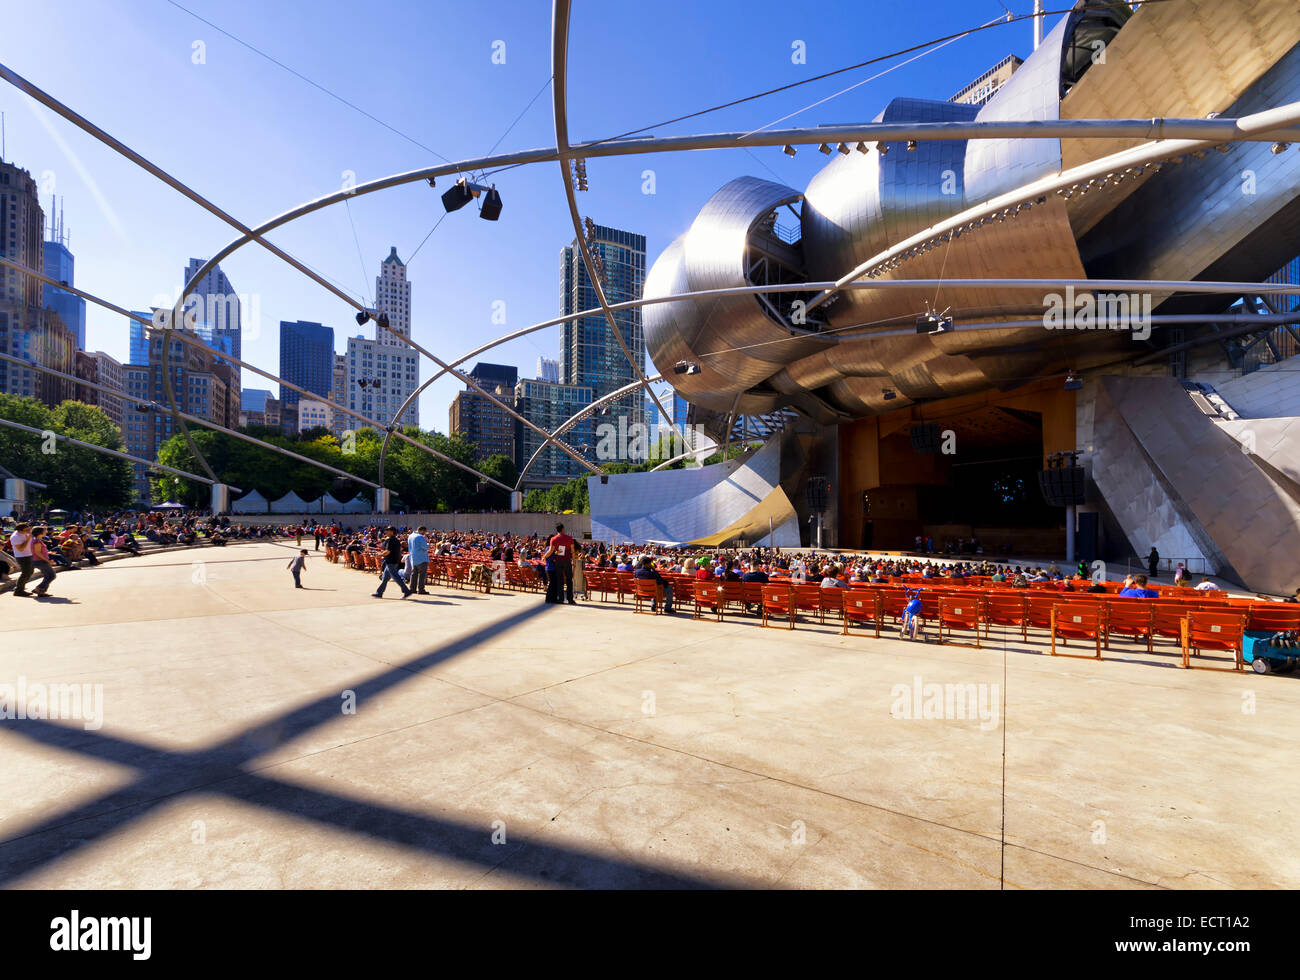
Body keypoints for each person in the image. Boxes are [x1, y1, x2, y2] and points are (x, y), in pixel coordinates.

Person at [372, 527, 411, 599]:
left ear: (392, 532)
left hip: (391, 561)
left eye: (387, 530)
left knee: (396, 577)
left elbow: (388, 551)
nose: (386, 531)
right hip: (392, 561)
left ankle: (406, 591)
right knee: (385, 578)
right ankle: (379, 593)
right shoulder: (395, 540)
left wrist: (379, 555)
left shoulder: (391, 540)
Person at [543, 522, 575, 605]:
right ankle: (570, 599)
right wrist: (574, 562)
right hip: (567, 561)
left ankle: (561, 599)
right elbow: (573, 551)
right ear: (563, 529)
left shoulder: (553, 539)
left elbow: (550, 551)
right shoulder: (569, 538)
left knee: (560, 581)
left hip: (558, 562)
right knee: (569, 580)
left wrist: (544, 556)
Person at [26, 527, 58, 598]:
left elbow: (38, 551)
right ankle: (39, 588)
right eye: (44, 530)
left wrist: (49, 552)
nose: (46, 531)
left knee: (47, 576)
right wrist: (48, 561)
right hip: (40, 561)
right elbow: (38, 553)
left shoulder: (36, 540)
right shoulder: (37, 541)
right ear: (40, 532)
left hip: (39, 560)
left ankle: (41, 591)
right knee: (52, 575)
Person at [8, 522, 37, 598]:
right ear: (20, 530)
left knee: (30, 572)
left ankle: (20, 588)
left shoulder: (25, 533)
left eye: (29, 528)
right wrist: (27, 540)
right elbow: (20, 549)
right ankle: (18, 590)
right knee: (25, 573)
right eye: (26, 529)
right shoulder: (15, 537)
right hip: (22, 557)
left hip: (29, 555)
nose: (28, 530)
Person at [407, 526, 430, 595]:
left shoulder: (410, 536)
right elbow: (425, 547)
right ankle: (421, 589)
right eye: (425, 532)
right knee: (422, 574)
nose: (425, 533)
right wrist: (428, 545)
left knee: (414, 574)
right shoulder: (420, 537)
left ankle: (412, 588)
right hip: (421, 558)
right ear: (422, 530)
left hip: (413, 558)